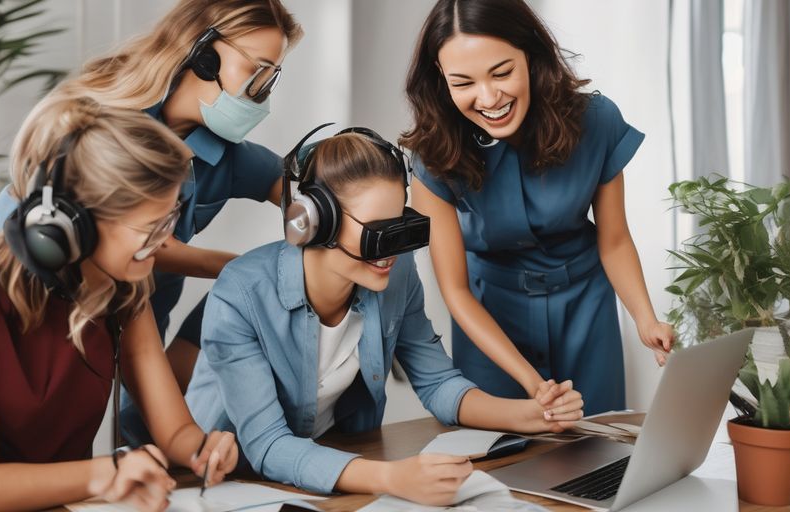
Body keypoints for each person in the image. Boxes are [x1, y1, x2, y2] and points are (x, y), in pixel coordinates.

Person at [0, 97, 237, 512]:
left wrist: (204, 449)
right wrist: (108, 472)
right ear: (71, 222)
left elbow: (175, 432)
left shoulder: (124, 290)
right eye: (152, 228)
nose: (167, 243)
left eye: (169, 221)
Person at [184, 126, 584, 506]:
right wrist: (392, 478)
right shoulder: (240, 294)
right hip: (226, 481)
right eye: (378, 231)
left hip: (329, 467)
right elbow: (268, 444)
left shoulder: (394, 275)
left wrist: (529, 414)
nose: (391, 249)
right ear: (314, 223)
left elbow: (437, 382)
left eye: (399, 226)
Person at [0, 0, 303, 444]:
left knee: (148, 440)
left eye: (270, 78)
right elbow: (127, 241)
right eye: (256, 70)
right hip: (40, 291)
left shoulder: (220, 153)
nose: (260, 90)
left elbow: (300, 189)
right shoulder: (101, 122)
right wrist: (244, 268)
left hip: (138, 307)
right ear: (203, 53)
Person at [399, 0, 675, 415]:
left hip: (586, 307)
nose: (488, 97)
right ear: (441, 78)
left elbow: (614, 241)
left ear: (530, 53)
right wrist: (532, 382)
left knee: (599, 450)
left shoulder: (595, 121)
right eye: (463, 83)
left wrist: (646, 319)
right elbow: (454, 291)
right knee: (503, 457)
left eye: (502, 72)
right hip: (489, 315)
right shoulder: (433, 153)